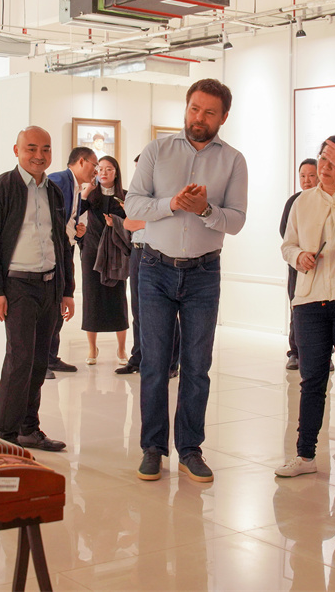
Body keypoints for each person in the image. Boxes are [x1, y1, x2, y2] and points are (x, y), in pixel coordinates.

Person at [125, 78, 248, 483]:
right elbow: (133, 204)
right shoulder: (157, 150)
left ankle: (190, 449)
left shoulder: (233, 161)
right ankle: (153, 448)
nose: (199, 117)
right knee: (154, 364)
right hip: (154, 268)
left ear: (223, 117)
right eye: (194, 108)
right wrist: (172, 203)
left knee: (197, 366)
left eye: (209, 112)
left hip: (203, 274)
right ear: (186, 107)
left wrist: (205, 210)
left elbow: (236, 221)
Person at [0, 126, 74, 452]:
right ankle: (5, 433)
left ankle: (29, 429)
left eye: (46, 149)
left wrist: (67, 290)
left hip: (49, 286)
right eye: (31, 148)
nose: (39, 156)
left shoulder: (54, 191)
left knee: (40, 361)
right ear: (17, 150)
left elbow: (62, 243)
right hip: (16, 286)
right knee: (20, 359)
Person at [275, 136, 335, 478]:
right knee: (312, 379)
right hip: (309, 300)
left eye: (334, 162)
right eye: (323, 160)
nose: (325, 168)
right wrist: (298, 256)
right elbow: (287, 245)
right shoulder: (302, 201)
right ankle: (305, 455)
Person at [118, 156, 181, 377]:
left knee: (166, 313)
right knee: (138, 309)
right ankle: (138, 358)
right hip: (137, 251)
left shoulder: (167, 195)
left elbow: (170, 222)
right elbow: (128, 223)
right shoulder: (139, 197)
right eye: (137, 168)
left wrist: (148, 220)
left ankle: (171, 363)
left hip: (157, 253)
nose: (139, 173)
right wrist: (152, 220)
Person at [46, 147, 98, 376]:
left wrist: (76, 231)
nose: (96, 170)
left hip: (65, 249)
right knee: (49, 308)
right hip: (53, 253)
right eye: (94, 165)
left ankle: (50, 357)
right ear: (81, 161)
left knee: (58, 305)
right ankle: (42, 361)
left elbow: (67, 219)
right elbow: (48, 219)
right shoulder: (58, 180)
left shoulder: (76, 187)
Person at [79, 155, 130, 365]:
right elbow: (75, 213)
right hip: (92, 252)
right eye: (100, 168)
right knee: (91, 298)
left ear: (116, 173)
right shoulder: (91, 195)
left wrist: (116, 222)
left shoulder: (126, 196)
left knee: (118, 299)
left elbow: (133, 223)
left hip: (116, 253)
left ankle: (121, 349)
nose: (103, 172)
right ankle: (92, 348)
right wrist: (85, 192)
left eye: (109, 169)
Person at [280, 158, 320, 371]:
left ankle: (324, 355)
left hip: (322, 264)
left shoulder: (325, 200)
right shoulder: (294, 201)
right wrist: (300, 254)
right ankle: (295, 352)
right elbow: (285, 232)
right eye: (303, 176)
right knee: (297, 307)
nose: (307, 180)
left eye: (311, 175)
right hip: (298, 265)